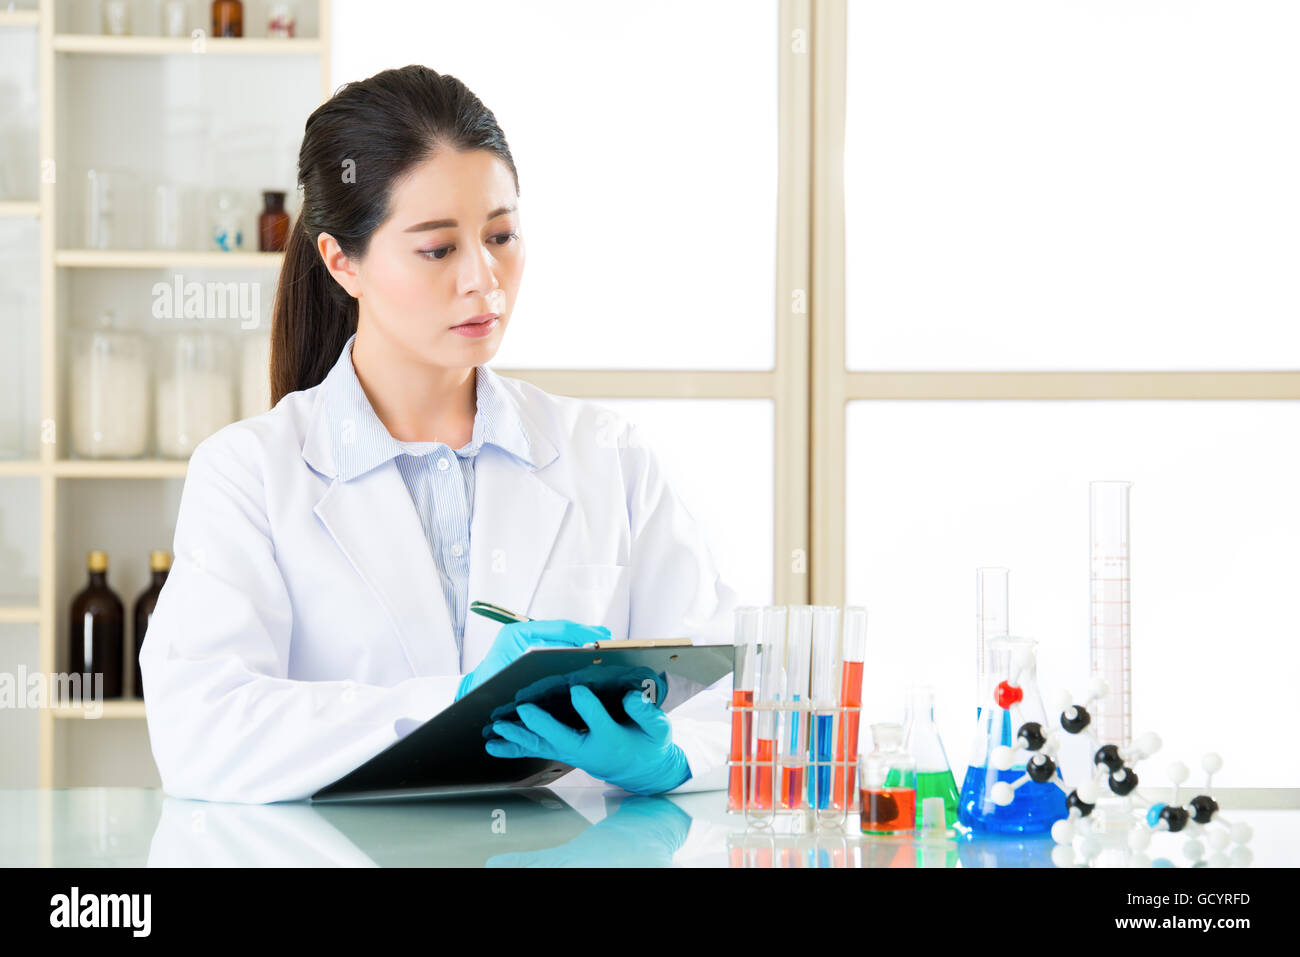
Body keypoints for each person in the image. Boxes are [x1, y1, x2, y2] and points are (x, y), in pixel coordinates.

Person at [139, 64, 737, 804]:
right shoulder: (250, 473)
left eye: (501, 235)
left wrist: (672, 758)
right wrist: (450, 701)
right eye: (438, 248)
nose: (483, 279)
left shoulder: (608, 456)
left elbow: (730, 694)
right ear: (341, 261)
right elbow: (202, 728)